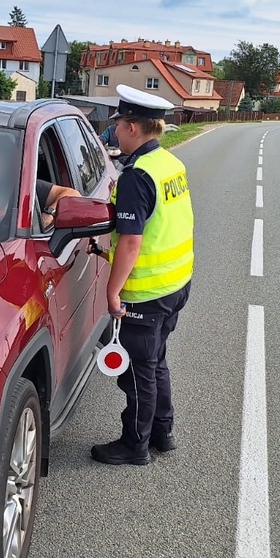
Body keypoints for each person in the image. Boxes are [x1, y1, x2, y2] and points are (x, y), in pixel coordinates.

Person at [91, 86, 194, 467]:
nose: (115, 131)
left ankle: (135, 444)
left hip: (146, 293)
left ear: (133, 127)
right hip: (175, 284)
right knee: (155, 362)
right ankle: (162, 433)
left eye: (118, 124)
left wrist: (113, 291)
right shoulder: (170, 163)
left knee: (137, 372)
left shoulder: (136, 175)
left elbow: (132, 242)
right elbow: (159, 228)